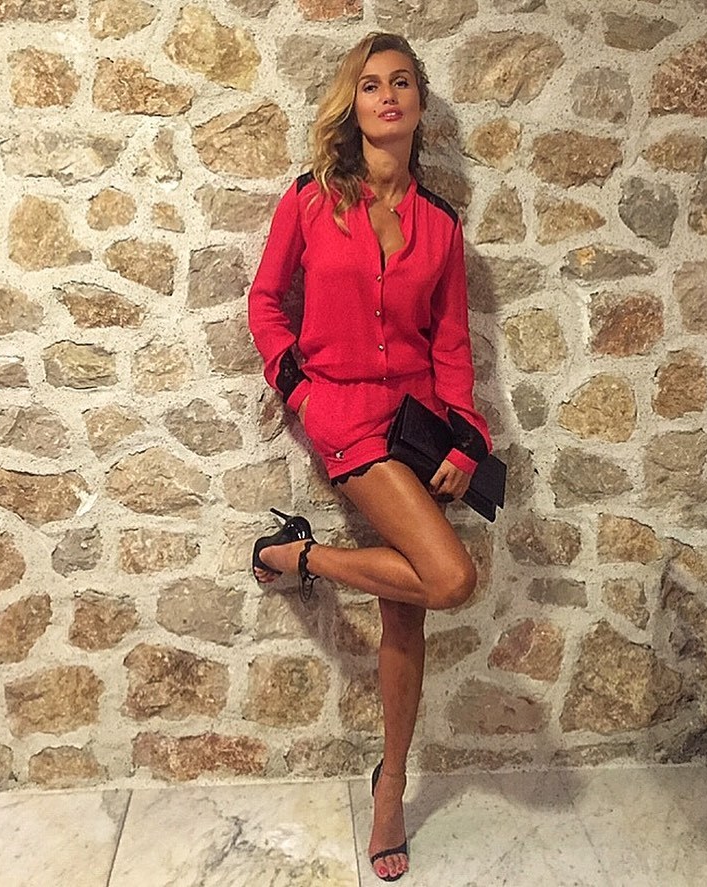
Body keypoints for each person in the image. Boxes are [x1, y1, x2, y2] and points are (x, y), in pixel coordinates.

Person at [247, 32, 491, 882]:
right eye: (371, 85)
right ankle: (298, 556)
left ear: (419, 104)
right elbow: (265, 300)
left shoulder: (439, 224)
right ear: (352, 106)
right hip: (345, 418)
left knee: (408, 608)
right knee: (449, 578)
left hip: (418, 424)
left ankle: (390, 785)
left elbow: (450, 343)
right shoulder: (311, 200)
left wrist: (467, 436)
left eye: (402, 83)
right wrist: (299, 391)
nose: (387, 96)